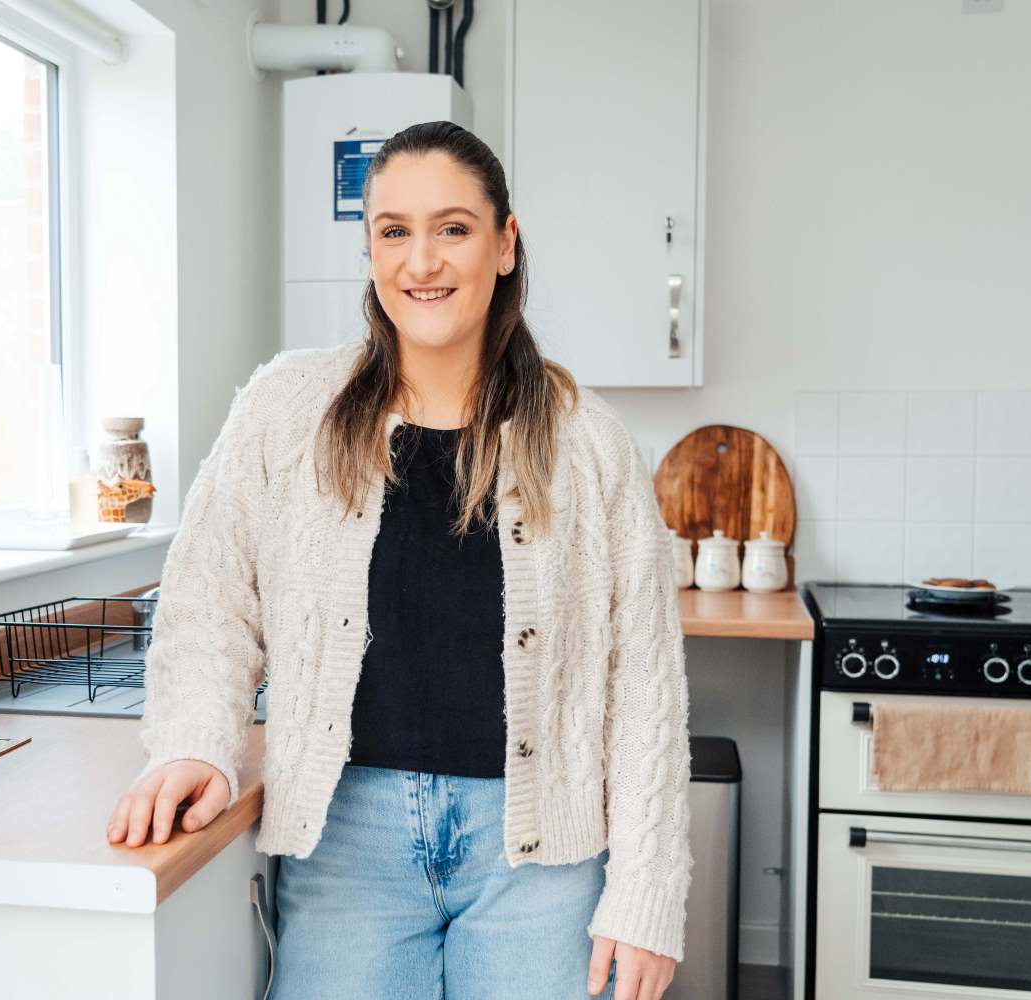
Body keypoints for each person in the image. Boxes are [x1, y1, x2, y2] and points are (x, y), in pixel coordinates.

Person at [107, 121, 692, 1000]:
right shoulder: (285, 408)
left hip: (538, 860)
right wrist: (195, 745)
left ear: (505, 243)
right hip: (347, 841)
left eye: (453, 228)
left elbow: (646, 683)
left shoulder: (589, 441)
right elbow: (209, 603)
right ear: (371, 249)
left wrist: (647, 892)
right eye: (394, 231)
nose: (422, 262)